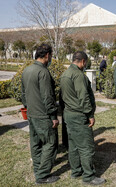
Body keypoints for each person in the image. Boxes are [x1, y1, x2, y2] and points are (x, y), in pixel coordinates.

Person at [60, 51, 105, 185]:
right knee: (86, 147)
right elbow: (84, 97)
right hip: (79, 115)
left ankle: (76, 171)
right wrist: (90, 115)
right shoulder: (78, 75)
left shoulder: (65, 74)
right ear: (83, 61)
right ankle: (89, 176)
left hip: (69, 114)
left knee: (73, 145)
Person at [21, 44, 60, 184]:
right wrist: (53, 116)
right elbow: (48, 97)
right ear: (47, 55)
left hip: (31, 114)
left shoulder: (26, 70)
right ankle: (43, 175)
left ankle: (38, 169)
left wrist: (29, 107)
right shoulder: (43, 72)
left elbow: (23, 94)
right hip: (43, 116)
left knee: (35, 144)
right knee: (50, 143)